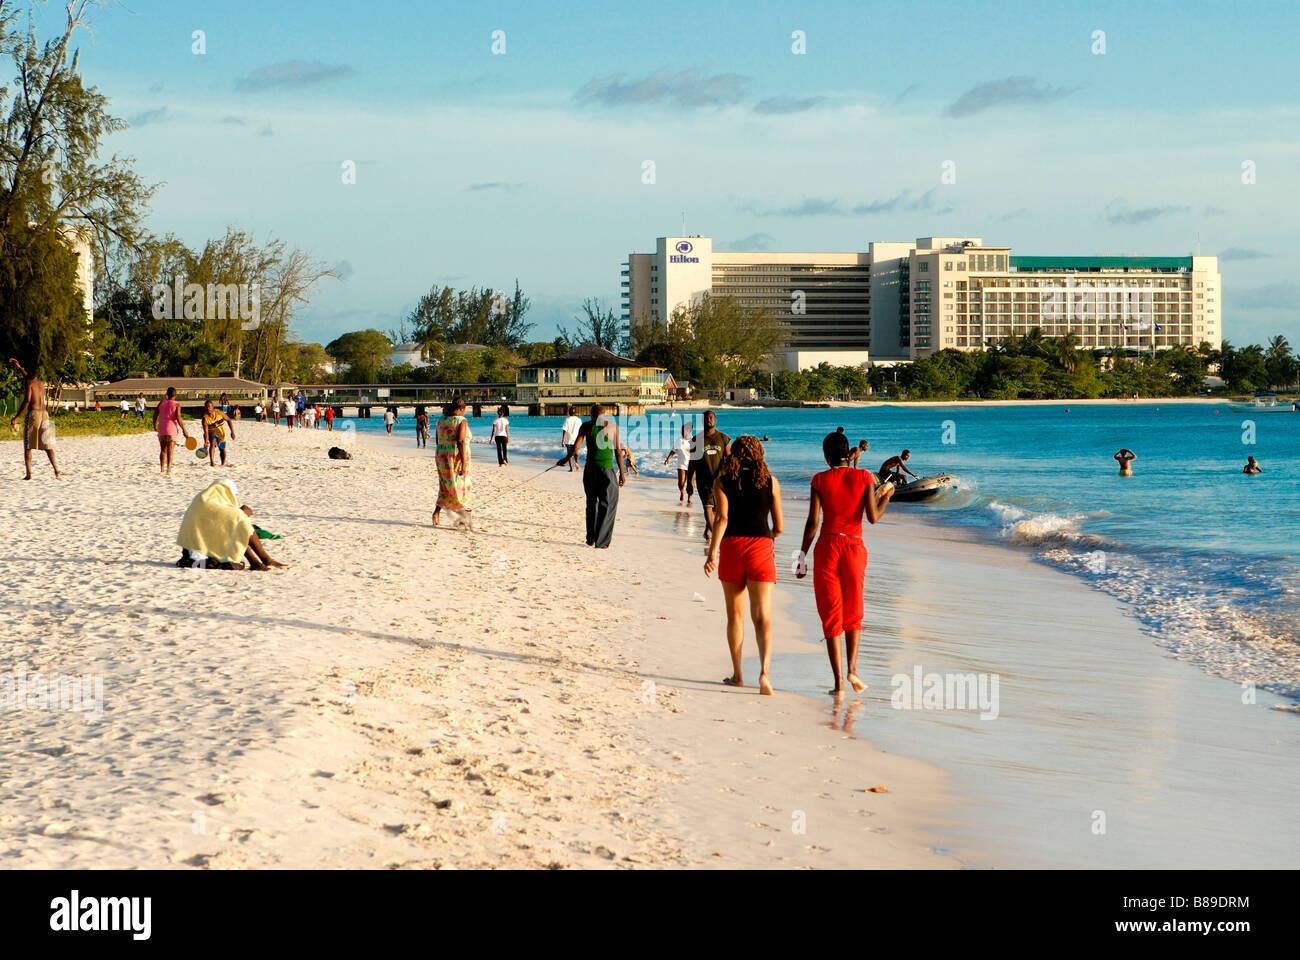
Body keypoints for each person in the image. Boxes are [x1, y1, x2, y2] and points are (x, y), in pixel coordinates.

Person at [797, 432, 895, 697]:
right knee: (853, 611)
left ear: (826, 456)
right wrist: (887, 496)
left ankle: (839, 683)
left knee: (831, 615)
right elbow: (873, 517)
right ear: (848, 453)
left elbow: (812, 523)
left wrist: (802, 556)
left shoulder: (819, 480)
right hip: (853, 546)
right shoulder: (863, 477)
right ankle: (853, 669)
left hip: (828, 547)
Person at [703, 435, 783, 695]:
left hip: (732, 548)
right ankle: (765, 673)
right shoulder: (771, 482)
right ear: (760, 454)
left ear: (733, 455)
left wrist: (712, 554)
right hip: (761, 548)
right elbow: (779, 527)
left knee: (735, 617)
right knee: (763, 618)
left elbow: (722, 519)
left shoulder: (722, 481)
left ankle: (738, 675)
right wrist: (765, 535)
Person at [177, 479, 287, 570]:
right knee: (242, 524)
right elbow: (238, 515)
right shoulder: (210, 504)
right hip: (200, 552)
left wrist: (241, 512)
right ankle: (263, 560)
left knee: (236, 524)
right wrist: (244, 512)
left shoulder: (203, 500)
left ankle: (259, 561)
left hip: (194, 549)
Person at [559, 403, 625, 548]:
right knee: (607, 504)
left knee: (591, 503)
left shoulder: (586, 426)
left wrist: (564, 460)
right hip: (606, 469)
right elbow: (618, 452)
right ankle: (601, 541)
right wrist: (622, 473)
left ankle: (591, 538)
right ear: (604, 414)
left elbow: (576, 448)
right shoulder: (612, 426)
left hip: (590, 469)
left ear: (591, 414)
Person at [7, 358, 60, 479]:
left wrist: (16, 417)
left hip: (34, 415)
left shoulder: (29, 383)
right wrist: (18, 367)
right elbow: (28, 378)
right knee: (47, 445)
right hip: (45, 414)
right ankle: (57, 470)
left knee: (28, 445)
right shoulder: (40, 383)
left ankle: (29, 474)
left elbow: (27, 401)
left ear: (30, 372)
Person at [686, 410, 731, 539]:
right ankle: (718, 539)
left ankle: (708, 530)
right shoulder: (696, 439)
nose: (709, 420)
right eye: (706, 418)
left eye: (711, 418)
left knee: (716, 510)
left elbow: (731, 460)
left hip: (721, 482)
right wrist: (690, 481)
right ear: (702, 421)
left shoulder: (723, 438)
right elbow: (692, 463)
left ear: (715, 420)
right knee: (708, 508)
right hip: (703, 481)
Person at [433, 396, 473, 529]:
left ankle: (436, 513)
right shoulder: (461, 420)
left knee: (445, 486)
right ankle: (463, 519)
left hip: (442, 456)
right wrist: (463, 462)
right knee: (461, 487)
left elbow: (438, 440)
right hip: (455, 457)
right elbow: (460, 441)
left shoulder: (441, 420)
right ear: (461, 409)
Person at [151, 386, 191, 475]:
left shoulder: (161, 403)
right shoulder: (177, 404)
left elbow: (155, 415)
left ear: (167, 394)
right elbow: (178, 417)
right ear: (175, 395)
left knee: (163, 450)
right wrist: (184, 430)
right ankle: (168, 469)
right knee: (170, 450)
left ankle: (162, 469)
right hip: (171, 428)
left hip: (161, 427)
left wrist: (154, 425)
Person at [664, 423, 692, 506]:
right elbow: (674, 450)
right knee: (681, 482)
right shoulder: (679, 440)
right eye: (681, 430)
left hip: (691, 464)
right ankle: (682, 492)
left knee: (690, 483)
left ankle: (689, 497)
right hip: (681, 464)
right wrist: (667, 459)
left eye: (683, 430)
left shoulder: (694, 440)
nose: (682, 432)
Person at [201, 399, 236, 467]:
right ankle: (212, 462)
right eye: (206, 407)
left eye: (209, 406)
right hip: (211, 432)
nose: (208, 408)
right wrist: (206, 441)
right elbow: (206, 432)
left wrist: (232, 432)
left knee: (222, 449)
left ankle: (222, 464)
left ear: (212, 407)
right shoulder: (205, 418)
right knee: (213, 442)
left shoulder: (219, 412)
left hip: (221, 433)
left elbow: (228, 420)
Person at [560, 405, 583, 472]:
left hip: (569, 439)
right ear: (575, 413)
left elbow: (565, 430)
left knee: (569, 454)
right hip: (577, 439)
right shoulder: (579, 420)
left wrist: (563, 440)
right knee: (576, 452)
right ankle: (577, 463)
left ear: (569, 413)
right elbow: (581, 430)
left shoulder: (567, 420)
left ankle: (571, 468)